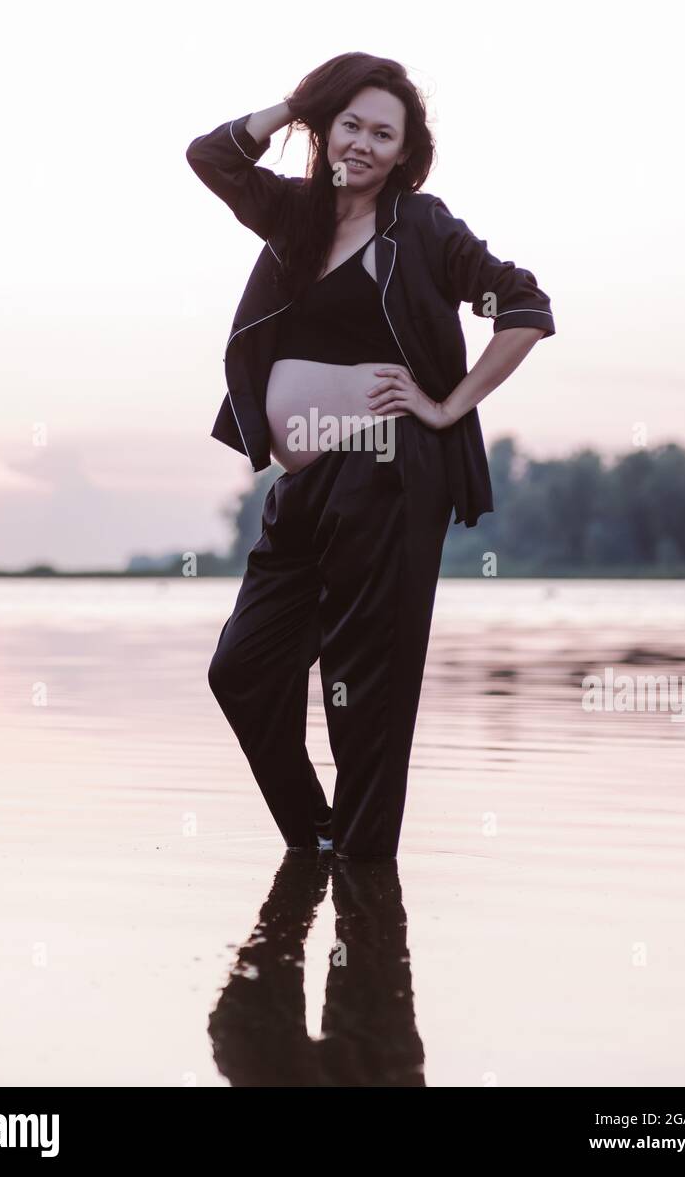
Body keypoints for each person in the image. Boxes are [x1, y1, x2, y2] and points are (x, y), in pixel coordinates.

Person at [185, 52, 556, 860]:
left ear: (404, 151)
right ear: (325, 128)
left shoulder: (422, 228)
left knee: (368, 693)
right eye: (349, 123)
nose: (361, 143)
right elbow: (210, 155)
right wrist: (298, 102)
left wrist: (447, 405)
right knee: (242, 670)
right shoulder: (294, 213)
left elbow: (524, 306)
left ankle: (362, 878)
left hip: (390, 473)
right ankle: (320, 847)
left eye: (382, 132)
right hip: (304, 483)